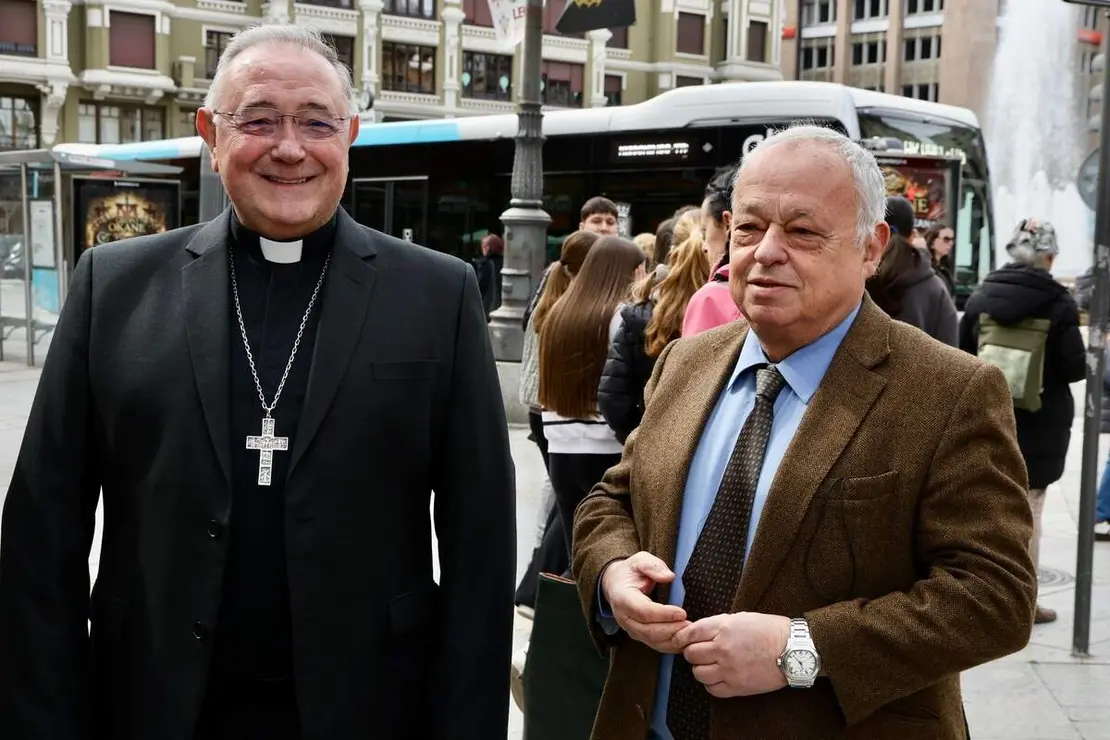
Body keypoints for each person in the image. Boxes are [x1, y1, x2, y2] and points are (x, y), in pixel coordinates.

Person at [0, 23, 516, 740]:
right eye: (260, 120)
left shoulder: (438, 295)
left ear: (351, 134)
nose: (290, 147)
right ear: (212, 133)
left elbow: (479, 553)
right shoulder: (114, 289)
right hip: (150, 705)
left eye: (316, 122)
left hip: (370, 709)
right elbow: (39, 540)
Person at [572, 124, 1037, 740]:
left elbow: (995, 597)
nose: (766, 251)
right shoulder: (687, 361)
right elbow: (613, 498)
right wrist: (613, 572)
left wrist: (803, 648)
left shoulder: (950, 391)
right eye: (748, 227)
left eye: (802, 231)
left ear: (871, 249)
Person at [959, 218, 1086, 625]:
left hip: (990, 419)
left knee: (984, 509)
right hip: (1043, 425)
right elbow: (1073, 367)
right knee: (1029, 512)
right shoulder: (1059, 303)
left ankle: (977, 596)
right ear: (1048, 257)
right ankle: (1022, 604)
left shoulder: (981, 296)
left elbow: (961, 357)